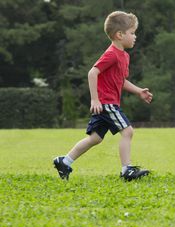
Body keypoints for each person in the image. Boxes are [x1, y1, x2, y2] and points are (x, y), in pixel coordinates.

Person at [53, 11, 153, 181]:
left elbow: (120, 81)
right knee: (127, 131)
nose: (135, 36)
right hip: (106, 103)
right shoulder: (112, 54)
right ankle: (126, 170)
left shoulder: (124, 56)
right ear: (120, 35)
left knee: (95, 138)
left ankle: (65, 161)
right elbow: (93, 73)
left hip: (107, 103)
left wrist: (138, 91)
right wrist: (95, 99)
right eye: (132, 33)